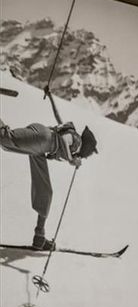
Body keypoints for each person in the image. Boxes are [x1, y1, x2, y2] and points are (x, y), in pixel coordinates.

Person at [0, 91, 97, 251]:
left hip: (41, 149)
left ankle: (39, 236)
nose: (88, 155)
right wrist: (71, 160)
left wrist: (51, 97)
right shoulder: (77, 140)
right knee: (5, 138)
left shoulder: (72, 136)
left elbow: (58, 117)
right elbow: (64, 139)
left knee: (46, 192)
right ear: (87, 147)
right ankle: (39, 236)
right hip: (43, 139)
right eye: (90, 152)